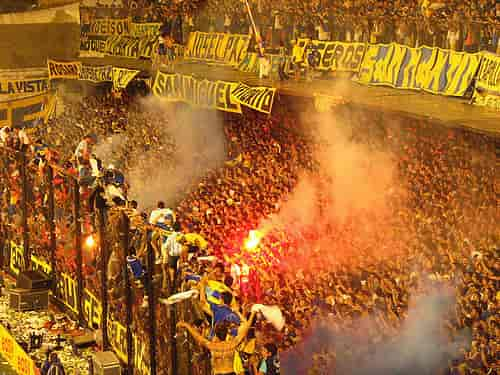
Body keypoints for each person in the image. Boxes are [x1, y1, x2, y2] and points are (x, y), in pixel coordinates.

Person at [177, 310, 257, 375]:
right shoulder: (232, 344)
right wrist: (253, 313)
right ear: (226, 333)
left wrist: (186, 325)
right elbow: (246, 328)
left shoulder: (212, 346)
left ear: (216, 334)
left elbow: (198, 337)